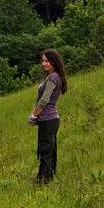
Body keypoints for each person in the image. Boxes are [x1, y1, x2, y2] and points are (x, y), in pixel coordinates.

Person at [28, 49, 67, 183]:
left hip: (48, 119)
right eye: (42, 61)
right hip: (50, 119)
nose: (44, 63)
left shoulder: (52, 77)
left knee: (45, 150)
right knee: (50, 149)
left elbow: (44, 100)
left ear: (53, 61)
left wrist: (34, 115)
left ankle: (43, 181)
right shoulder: (53, 76)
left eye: (47, 61)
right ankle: (49, 177)